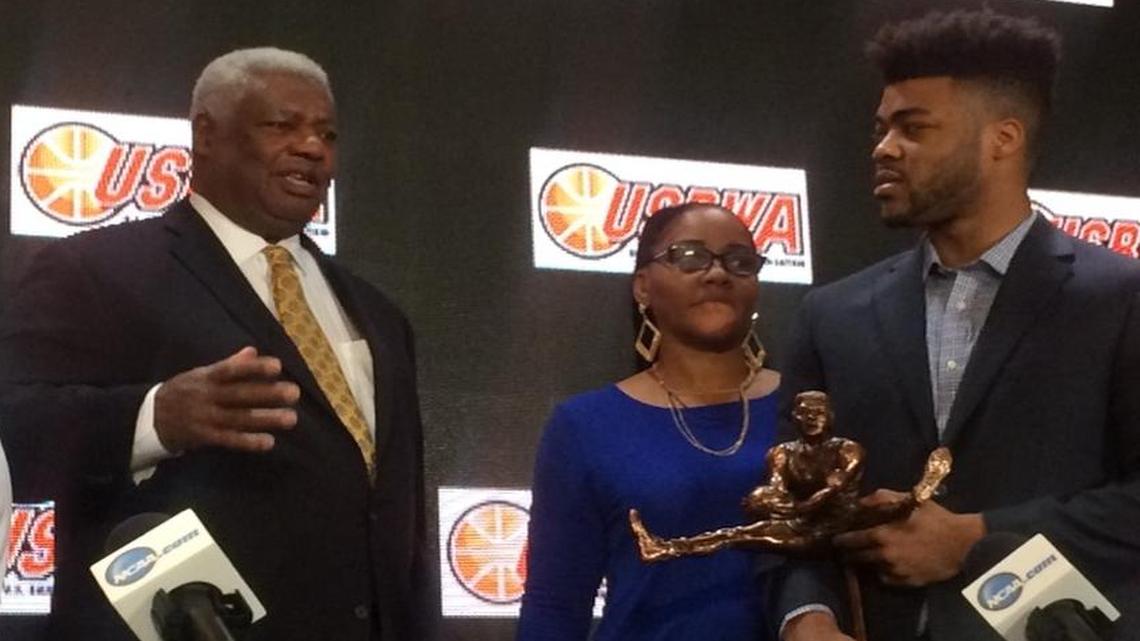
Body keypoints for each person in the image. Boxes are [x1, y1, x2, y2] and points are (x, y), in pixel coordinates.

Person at [0, 48, 427, 641]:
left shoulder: (380, 315)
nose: (313, 147)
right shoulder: (94, 269)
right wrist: (153, 418)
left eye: (326, 133)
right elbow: (14, 430)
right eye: (282, 125)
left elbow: (400, 522)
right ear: (208, 133)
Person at [774, 10, 1140, 641]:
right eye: (883, 127)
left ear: (1003, 138)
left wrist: (973, 537)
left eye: (913, 129)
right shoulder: (832, 316)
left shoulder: (1121, 298)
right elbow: (792, 512)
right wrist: (806, 618)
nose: (883, 148)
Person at [517, 202, 781, 641]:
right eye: (690, 256)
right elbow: (555, 604)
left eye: (739, 261)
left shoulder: (807, 410)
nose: (717, 274)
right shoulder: (585, 427)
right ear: (643, 287)